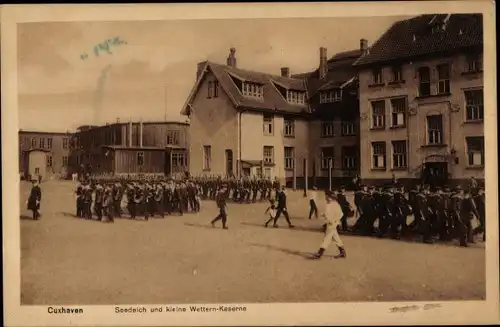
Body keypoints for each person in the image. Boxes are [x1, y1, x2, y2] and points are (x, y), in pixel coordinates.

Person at [312, 191, 346, 260]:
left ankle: (320, 253)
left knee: (327, 238)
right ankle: (342, 252)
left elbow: (340, 214)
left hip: (331, 224)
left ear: (330, 197)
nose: (325, 197)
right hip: (331, 223)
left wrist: (333, 220)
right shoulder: (332, 204)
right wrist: (325, 215)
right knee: (336, 238)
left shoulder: (332, 204)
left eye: (326, 196)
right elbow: (335, 214)